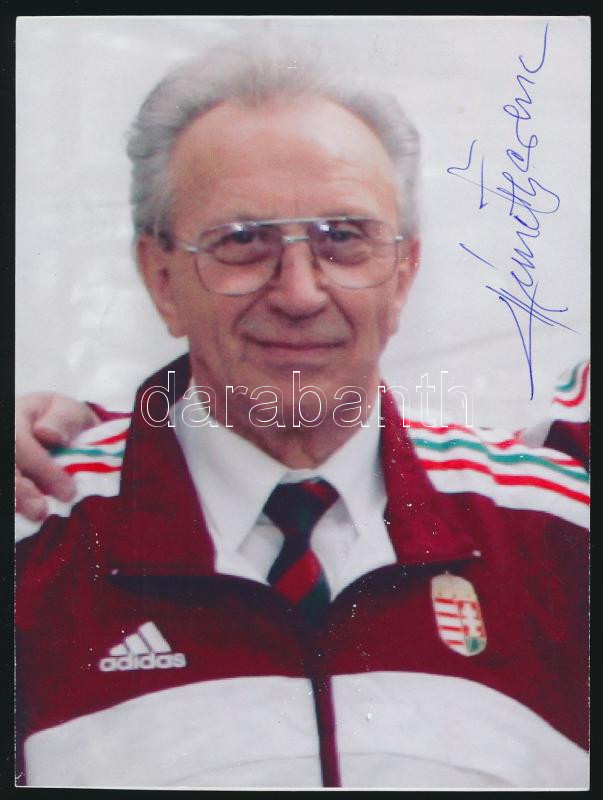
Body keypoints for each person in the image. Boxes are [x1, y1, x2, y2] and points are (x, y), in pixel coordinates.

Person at [15, 38, 590, 789]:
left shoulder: (556, 532)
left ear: (403, 274)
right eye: (242, 241)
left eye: (343, 239)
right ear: (160, 276)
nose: (298, 293)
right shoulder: (37, 541)